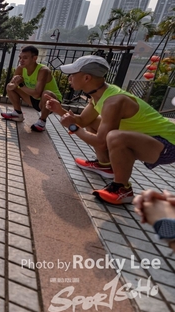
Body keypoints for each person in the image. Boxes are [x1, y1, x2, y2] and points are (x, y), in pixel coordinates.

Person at [46, 55, 175, 205]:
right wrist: (59, 110)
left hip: (169, 145)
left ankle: (122, 188)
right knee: (95, 122)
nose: (69, 78)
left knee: (115, 137)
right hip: (150, 141)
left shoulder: (113, 101)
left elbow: (101, 142)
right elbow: (83, 121)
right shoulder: (99, 95)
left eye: (73, 75)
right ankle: (105, 164)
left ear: (86, 78)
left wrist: (72, 127)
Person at [1, 45, 63, 131]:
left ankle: (42, 121)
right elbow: (9, 86)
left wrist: (20, 85)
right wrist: (14, 84)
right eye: (20, 57)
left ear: (34, 58)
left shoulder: (43, 70)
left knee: (46, 93)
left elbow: (37, 94)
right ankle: (17, 113)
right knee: (10, 88)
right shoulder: (20, 68)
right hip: (33, 98)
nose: (21, 60)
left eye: (25, 58)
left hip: (51, 102)